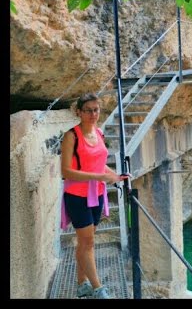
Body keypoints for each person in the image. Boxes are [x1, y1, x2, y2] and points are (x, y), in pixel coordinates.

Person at [61, 93, 129, 299]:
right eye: (88, 110)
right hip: (77, 196)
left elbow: (100, 165)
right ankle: (99, 288)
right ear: (79, 112)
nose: (93, 114)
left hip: (97, 194)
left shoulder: (99, 133)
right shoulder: (71, 136)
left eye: (96, 109)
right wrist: (99, 176)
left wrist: (115, 176)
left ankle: (82, 284)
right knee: (88, 242)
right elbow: (66, 172)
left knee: (85, 242)